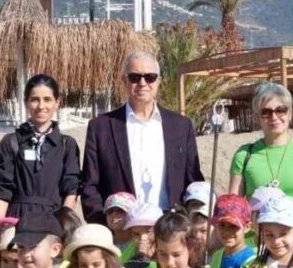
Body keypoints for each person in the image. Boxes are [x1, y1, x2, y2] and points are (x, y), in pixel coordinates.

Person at [81, 51, 204, 224]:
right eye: (134, 77)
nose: (142, 83)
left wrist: (189, 223)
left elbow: (194, 181)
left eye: (150, 77)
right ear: (124, 81)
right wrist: (103, 225)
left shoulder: (181, 126)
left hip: (170, 229)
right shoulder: (101, 127)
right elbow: (90, 185)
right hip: (122, 231)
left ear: (159, 81)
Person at [0, 75, 81, 226]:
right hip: (17, 221)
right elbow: (2, 192)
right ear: (26, 103)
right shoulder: (10, 142)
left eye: (47, 99)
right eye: (34, 99)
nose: (41, 106)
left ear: (57, 103)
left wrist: (62, 227)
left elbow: (71, 191)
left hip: (53, 222)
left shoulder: (67, 145)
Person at [228, 82, 293, 205]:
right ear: (257, 117)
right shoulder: (244, 155)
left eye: (280, 110)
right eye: (266, 112)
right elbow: (233, 209)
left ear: (290, 114)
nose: (274, 117)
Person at [104, 192, 138, 256]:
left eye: (120, 210)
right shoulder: (103, 244)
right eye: (110, 211)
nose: (114, 214)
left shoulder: (139, 244)